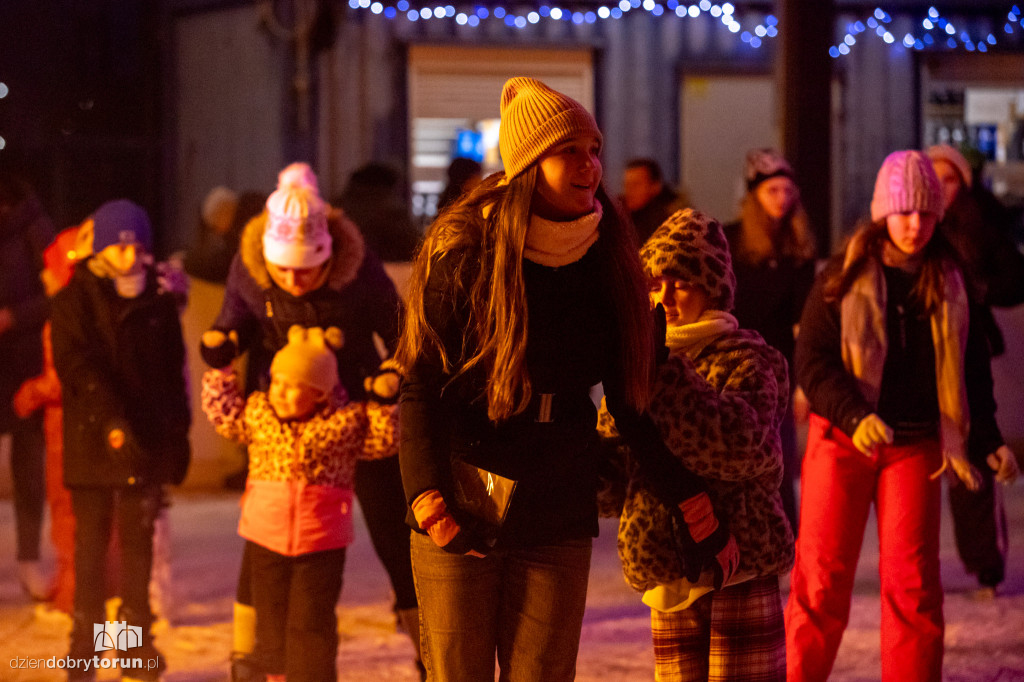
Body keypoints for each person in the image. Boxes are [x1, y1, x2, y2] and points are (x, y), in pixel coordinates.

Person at [396, 77, 737, 681]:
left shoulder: (606, 256)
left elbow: (629, 407)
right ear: (529, 163)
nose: (589, 165)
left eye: (594, 149)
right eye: (569, 151)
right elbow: (422, 386)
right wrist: (428, 497)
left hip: (557, 499)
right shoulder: (467, 252)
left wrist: (689, 497)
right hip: (464, 495)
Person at [784, 151, 1007, 681]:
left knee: (913, 584)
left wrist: (989, 439)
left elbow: (973, 370)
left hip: (915, 445)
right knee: (821, 579)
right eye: (905, 212)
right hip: (842, 439)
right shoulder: (843, 276)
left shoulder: (952, 280)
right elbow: (812, 362)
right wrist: (855, 413)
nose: (915, 225)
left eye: (926, 213)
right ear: (883, 212)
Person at [201, 162, 420, 681]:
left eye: (307, 270)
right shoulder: (249, 267)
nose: (295, 281)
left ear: (327, 254)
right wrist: (225, 342)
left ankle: (423, 640)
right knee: (263, 532)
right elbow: (232, 318)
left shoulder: (359, 266)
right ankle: (249, 654)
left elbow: (402, 334)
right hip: (279, 407)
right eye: (285, 271)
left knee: (392, 523)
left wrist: (391, 376)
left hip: (353, 409)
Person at [598, 208, 794, 681]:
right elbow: (616, 479)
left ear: (713, 289)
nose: (665, 295)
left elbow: (740, 444)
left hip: (740, 564)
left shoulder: (749, 357)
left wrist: (663, 371)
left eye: (681, 282)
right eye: (655, 282)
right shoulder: (636, 367)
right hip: (667, 572)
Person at [201, 324, 399, 682]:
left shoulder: (343, 425)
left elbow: (385, 440)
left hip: (320, 544)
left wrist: (385, 402)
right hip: (266, 538)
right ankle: (274, 675)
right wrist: (220, 369)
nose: (280, 393)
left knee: (311, 624)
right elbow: (224, 414)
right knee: (270, 618)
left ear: (320, 394)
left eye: (294, 387)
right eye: (277, 382)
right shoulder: (260, 415)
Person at [51, 199, 191, 681]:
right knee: (90, 556)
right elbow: (77, 368)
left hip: (144, 445)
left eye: (136, 247)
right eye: (119, 246)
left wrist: (179, 434)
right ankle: (86, 652)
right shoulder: (74, 299)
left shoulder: (156, 302)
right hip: (94, 443)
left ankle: (131, 651)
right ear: (102, 249)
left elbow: (174, 374)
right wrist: (111, 423)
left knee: (137, 556)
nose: (129, 257)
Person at [926, 143, 1022, 597]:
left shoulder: (980, 225)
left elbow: (1016, 277)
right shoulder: (911, 222)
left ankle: (986, 564)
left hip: (970, 350)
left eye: (950, 179)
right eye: (934, 177)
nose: (942, 188)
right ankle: (918, 564)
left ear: (962, 184)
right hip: (921, 354)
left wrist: (978, 291)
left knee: (975, 452)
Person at [724, 148, 817, 531]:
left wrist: (802, 386)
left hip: (777, 366)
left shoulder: (798, 250)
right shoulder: (732, 240)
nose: (782, 198)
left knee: (779, 455)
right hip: (732, 361)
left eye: (786, 190)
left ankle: (783, 534)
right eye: (772, 191)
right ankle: (736, 531)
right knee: (735, 451)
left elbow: (802, 322)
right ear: (754, 196)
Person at [12, 226, 87, 615]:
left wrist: (31, 394)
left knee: (69, 515)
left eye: (49, 268)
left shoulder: (65, 318)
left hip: (68, 434)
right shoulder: (73, 313)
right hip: (67, 431)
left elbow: (65, 376)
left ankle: (74, 592)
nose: (42, 276)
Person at [0, 167, 54, 600]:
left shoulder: (33, 226)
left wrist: (13, 317)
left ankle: (28, 560)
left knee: (29, 466)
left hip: (23, 361)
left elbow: (56, 289)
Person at [621, 157, 687, 243]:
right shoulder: (621, 215)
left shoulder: (672, 223)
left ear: (655, 186)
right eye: (627, 185)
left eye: (636, 184)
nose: (629, 190)